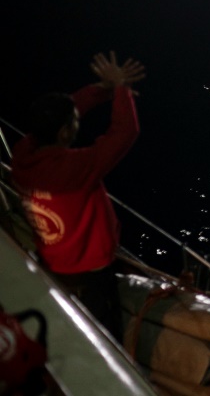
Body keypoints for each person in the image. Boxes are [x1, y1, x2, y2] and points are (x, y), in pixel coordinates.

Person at [11, 51, 146, 341]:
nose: (77, 122)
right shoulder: (76, 169)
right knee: (103, 340)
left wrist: (103, 90)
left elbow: (61, 114)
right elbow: (125, 132)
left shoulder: (22, 156)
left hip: (51, 265)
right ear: (63, 132)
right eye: (73, 122)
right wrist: (121, 88)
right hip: (91, 277)